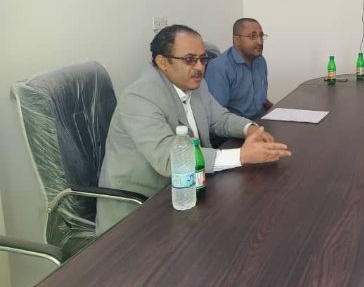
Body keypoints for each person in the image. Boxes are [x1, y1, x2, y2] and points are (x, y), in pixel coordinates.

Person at [96, 24, 290, 234]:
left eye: (202, 59)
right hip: (139, 213)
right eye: (189, 59)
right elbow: (170, 159)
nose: (199, 67)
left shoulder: (195, 84)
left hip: (189, 194)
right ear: (163, 62)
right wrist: (241, 156)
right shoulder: (140, 97)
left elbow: (219, 118)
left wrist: (250, 129)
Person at [205, 18, 272, 120]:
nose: (260, 41)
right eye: (252, 36)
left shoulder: (260, 61)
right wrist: (249, 127)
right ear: (236, 40)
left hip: (262, 120)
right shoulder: (219, 67)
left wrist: (277, 110)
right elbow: (217, 115)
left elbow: (261, 100)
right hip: (237, 127)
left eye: (261, 36)